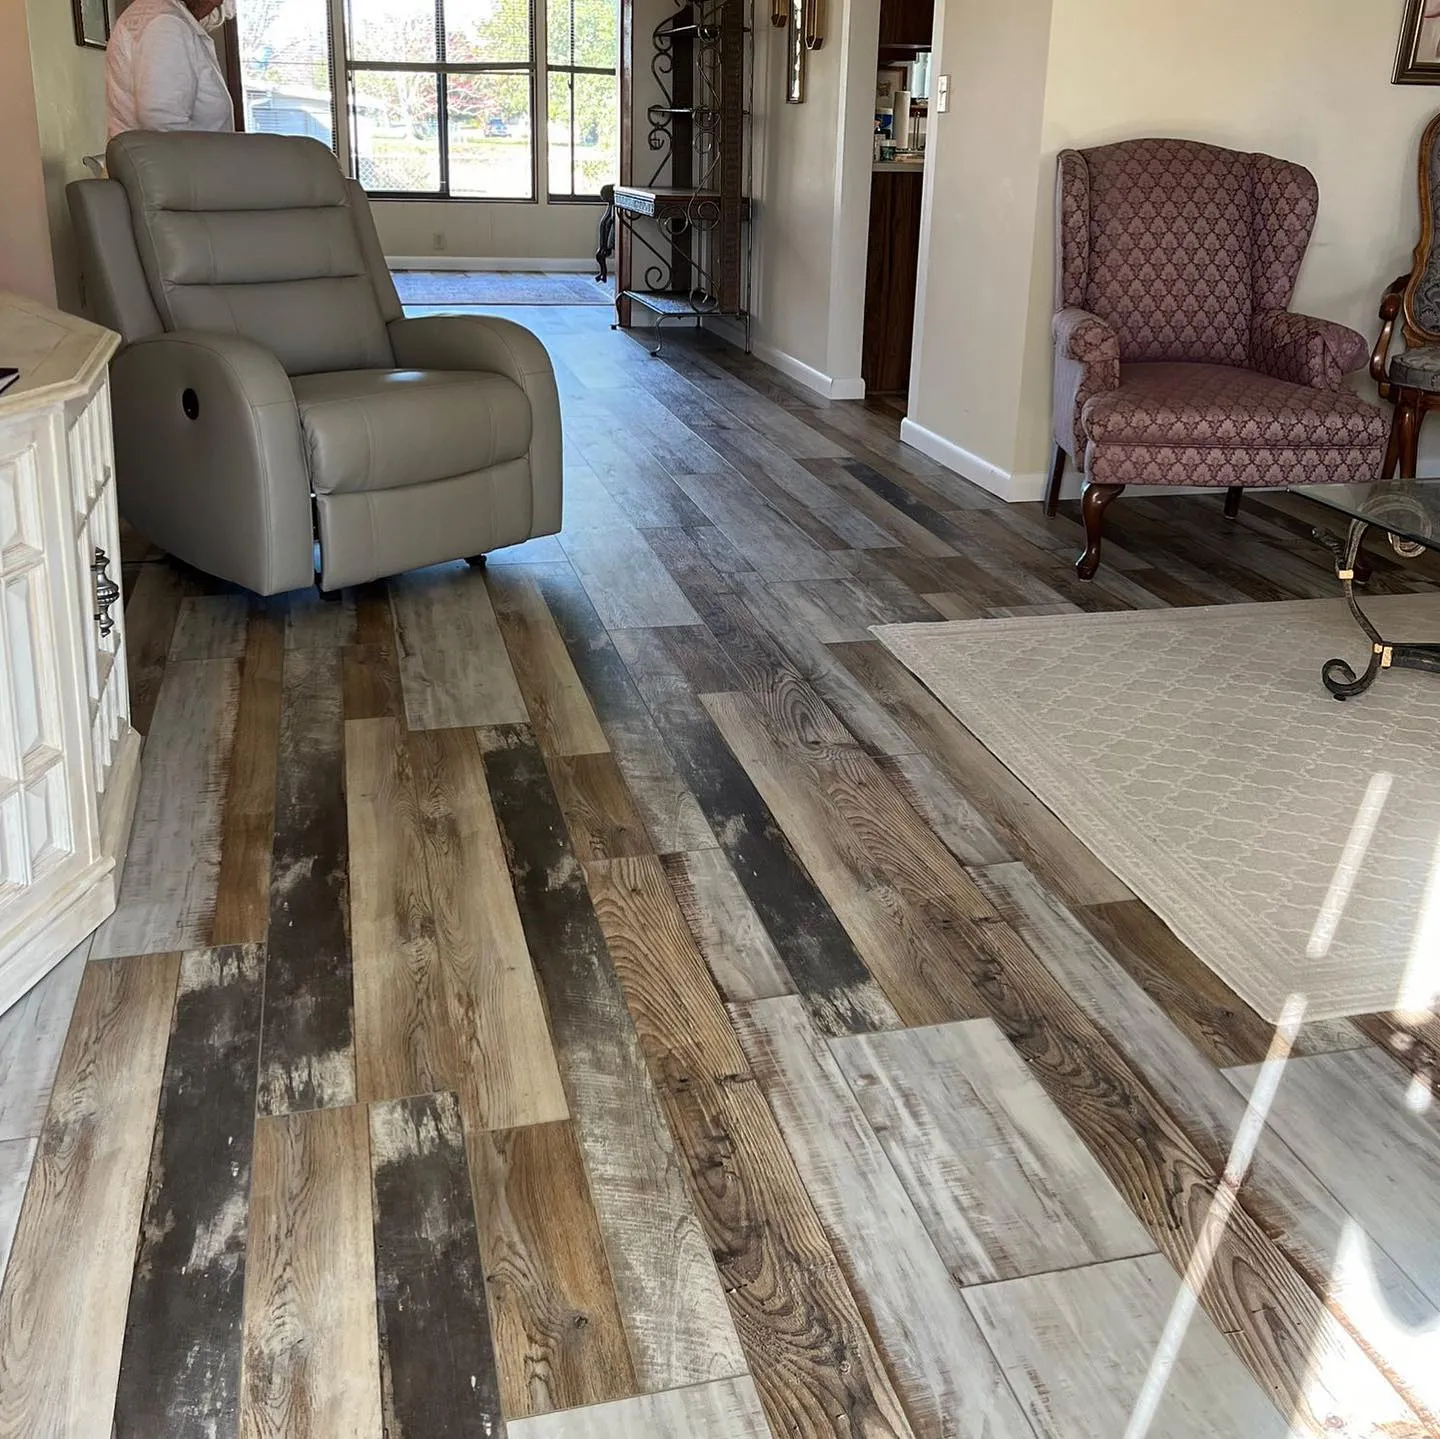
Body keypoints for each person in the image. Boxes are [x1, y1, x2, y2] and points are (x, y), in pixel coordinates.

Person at [105, 0, 236, 139]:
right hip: (182, 159)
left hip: (174, 157)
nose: (217, 3)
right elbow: (162, 122)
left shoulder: (155, 14)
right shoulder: (166, 24)